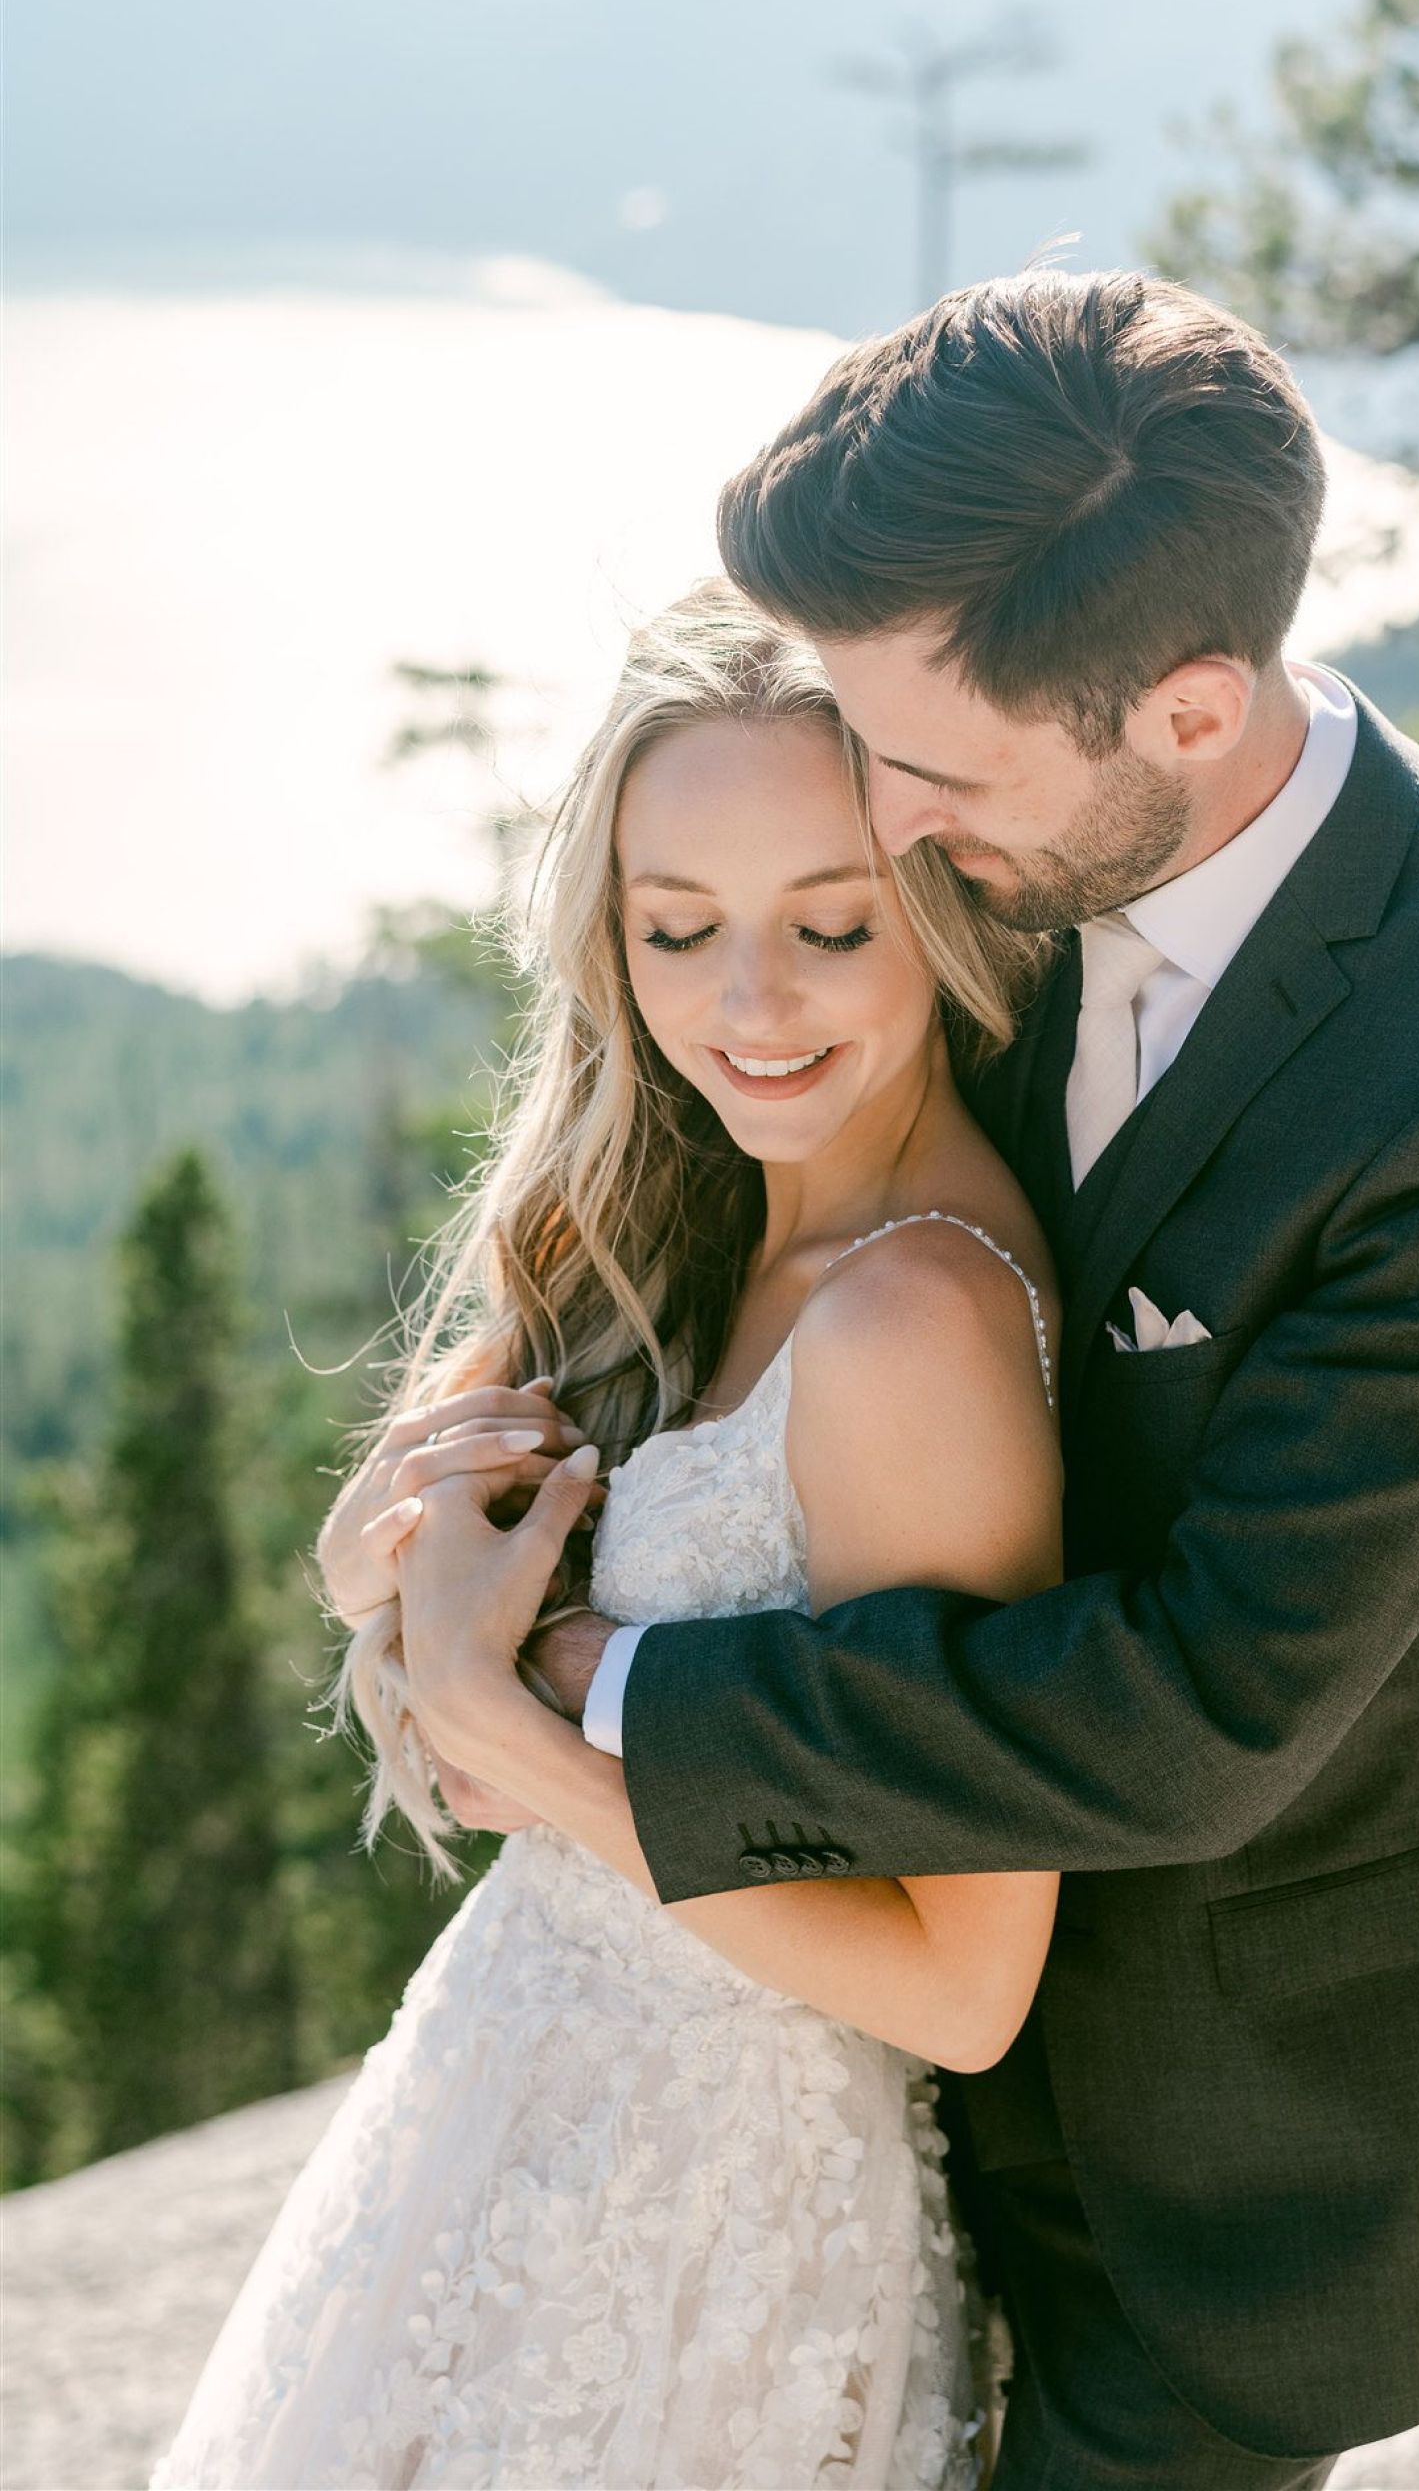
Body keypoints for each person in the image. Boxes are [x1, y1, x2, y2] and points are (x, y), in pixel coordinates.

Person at [466, 272, 1419, 2487]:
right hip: (834, 2056)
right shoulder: (1006, 819)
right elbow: (739, 1217)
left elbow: (1221, 1696)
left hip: (1231, 2122)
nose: (888, 830)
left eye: (922, 768)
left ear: (1192, 709)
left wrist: (587, 1697)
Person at [149, 583, 1065, 2489]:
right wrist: (378, 1576)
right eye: (678, 930)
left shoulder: (912, 1329)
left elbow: (966, 1989)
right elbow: (403, 1570)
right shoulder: (697, 1212)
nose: (750, 1007)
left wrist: (532, 1755)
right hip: (500, 2124)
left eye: (830, 924)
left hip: (707, 2223)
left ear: (946, 903)